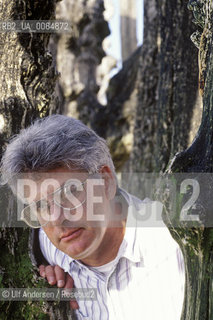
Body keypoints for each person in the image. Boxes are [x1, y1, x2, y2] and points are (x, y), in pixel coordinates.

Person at [1, 115, 185, 320]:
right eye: (41, 206)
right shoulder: (43, 249)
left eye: (69, 194)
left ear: (105, 181)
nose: (57, 219)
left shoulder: (176, 245)